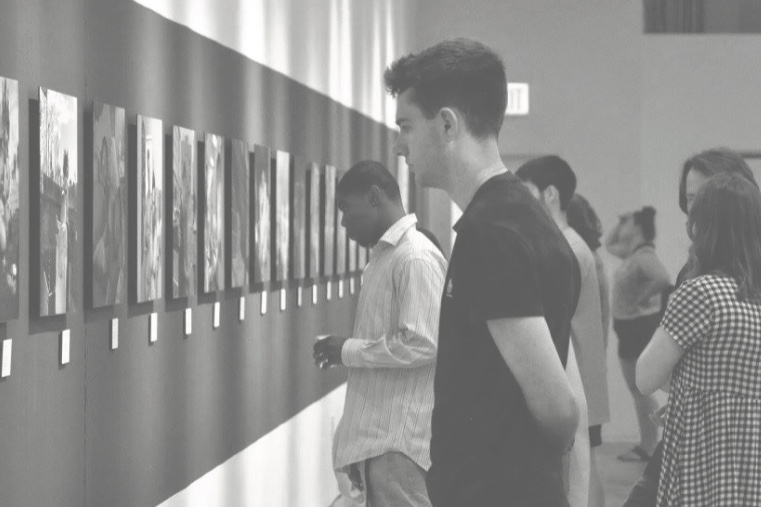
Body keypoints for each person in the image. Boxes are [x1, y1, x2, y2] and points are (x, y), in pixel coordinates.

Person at [385, 38, 581, 506]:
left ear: (447, 124)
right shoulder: (524, 218)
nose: (399, 145)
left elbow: (559, 408)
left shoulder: (490, 235)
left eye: (407, 127)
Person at [623, 147, 758, 507]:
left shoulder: (701, 287)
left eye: (702, 200)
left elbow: (649, 375)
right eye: (690, 199)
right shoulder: (738, 284)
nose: (691, 213)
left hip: (703, 446)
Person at [314, 160, 447, 507]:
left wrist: (347, 350)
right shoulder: (387, 258)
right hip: (383, 445)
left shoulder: (414, 257)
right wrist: (360, 447)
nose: (342, 221)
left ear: (374, 197)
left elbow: (422, 343)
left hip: (400, 447)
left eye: (346, 207)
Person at [517, 157, 610, 507]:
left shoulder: (567, 248)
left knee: (580, 479)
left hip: (576, 383)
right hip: (579, 382)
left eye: (527, 193)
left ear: (550, 194)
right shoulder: (566, 245)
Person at [605, 205, 671, 463]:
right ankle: (649, 445)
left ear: (639, 228)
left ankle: (650, 447)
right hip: (630, 330)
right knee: (637, 390)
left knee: (641, 390)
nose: (624, 226)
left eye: (629, 222)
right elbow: (609, 244)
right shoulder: (632, 254)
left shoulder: (644, 255)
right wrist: (622, 221)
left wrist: (640, 300)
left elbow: (663, 279)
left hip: (638, 329)